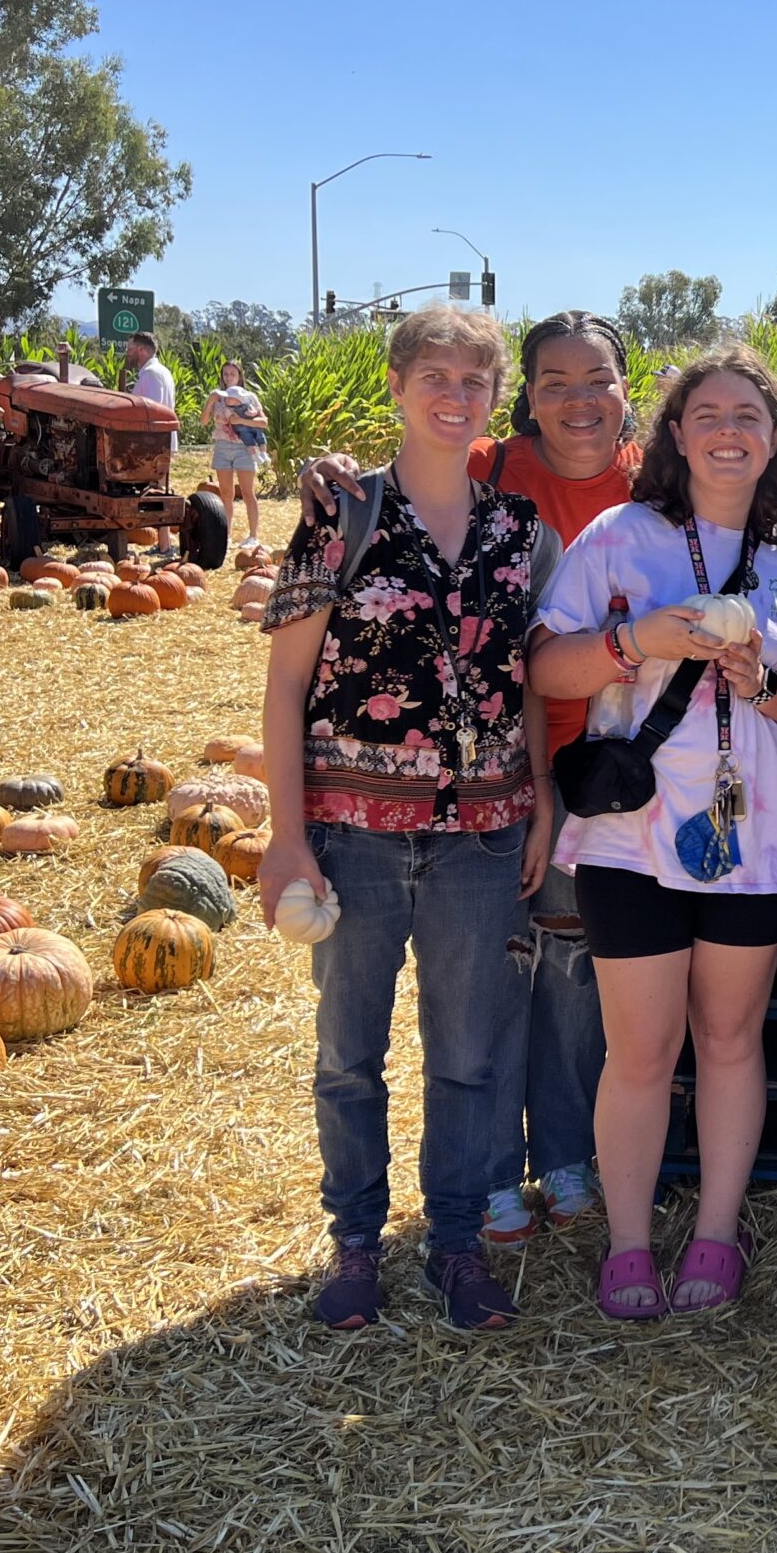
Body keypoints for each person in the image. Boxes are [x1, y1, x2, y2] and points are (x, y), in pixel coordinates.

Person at [301, 311, 641, 1249]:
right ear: (525, 397)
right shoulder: (493, 471)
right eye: (554, 382)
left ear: (626, 387)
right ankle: (489, 1175)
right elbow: (415, 463)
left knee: (570, 966)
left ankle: (565, 1154)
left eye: (597, 378)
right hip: (488, 770)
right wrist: (327, 473)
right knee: (492, 976)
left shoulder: (658, 484)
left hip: (604, 768)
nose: (578, 398)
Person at [254, 303, 556, 1334]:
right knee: (349, 1051)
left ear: (492, 400)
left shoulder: (522, 533)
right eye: (436, 373)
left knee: (470, 1053)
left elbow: (526, 686)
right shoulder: (339, 515)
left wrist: (543, 805)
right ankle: (354, 1242)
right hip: (353, 832)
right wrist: (285, 836)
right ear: (395, 383)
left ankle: (457, 1243)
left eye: (475, 380)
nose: (454, 394)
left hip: (484, 832)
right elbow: (287, 685)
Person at [528, 346, 777, 1317]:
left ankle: (712, 1235)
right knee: (642, 1051)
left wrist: (765, 686)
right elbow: (548, 672)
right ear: (676, 434)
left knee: (731, 1039)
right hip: (634, 836)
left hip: (757, 836)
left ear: (775, 437)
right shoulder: (620, 538)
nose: (728, 429)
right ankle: (625, 1245)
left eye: (748, 414)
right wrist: (636, 641)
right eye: (707, 413)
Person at [205, 361, 270, 549]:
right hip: (223, 447)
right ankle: (226, 534)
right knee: (226, 493)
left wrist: (240, 420)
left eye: (232, 374)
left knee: (248, 492)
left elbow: (263, 423)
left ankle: (253, 536)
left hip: (244, 447)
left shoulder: (249, 397)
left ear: (240, 376)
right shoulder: (217, 397)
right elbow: (204, 421)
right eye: (225, 374)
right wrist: (209, 402)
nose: (228, 377)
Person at [124, 331, 179, 553]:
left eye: (130, 349)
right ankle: (164, 543)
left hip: (152, 444)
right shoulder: (160, 372)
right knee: (160, 489)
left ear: (142, 350)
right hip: (159, 442)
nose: (128, 354)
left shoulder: (151, 375)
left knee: (157, 491)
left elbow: (151, 409)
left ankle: (165, 545)